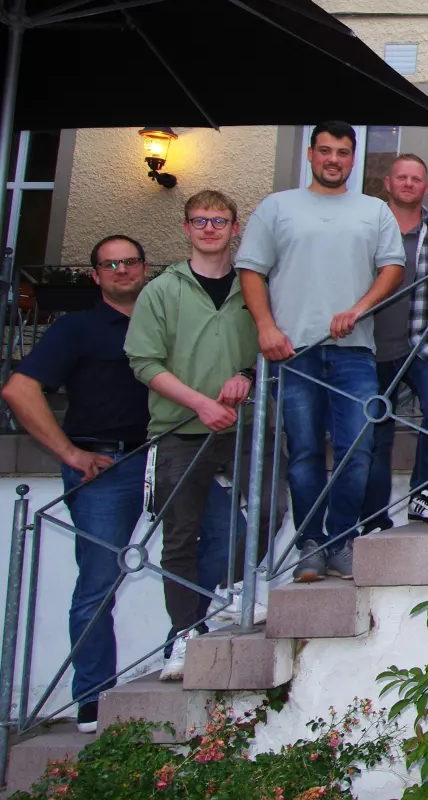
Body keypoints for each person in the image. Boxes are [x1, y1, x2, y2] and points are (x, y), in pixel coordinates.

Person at [237, 121, 405, 582]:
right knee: (305, 452)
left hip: (353, 349)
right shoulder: (277, 207)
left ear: (353, 159)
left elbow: (392, 268)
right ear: (311, 154)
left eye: (344, 152)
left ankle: (341, 540)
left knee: (359, 449)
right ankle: (310, 544)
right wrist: (266, 327)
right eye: (326, 150)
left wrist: (359, 308)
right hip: (293, 350)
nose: (334, 159)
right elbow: (250, 270)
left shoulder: (374, 210)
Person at [2, 235, 150, 733]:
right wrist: (68, 452)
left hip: (170, 458)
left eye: (129, 262)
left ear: (145, 268)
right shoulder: (78, 328)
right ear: (95, 275)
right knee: (97, 584)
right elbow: (19, 390)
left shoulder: (165, 322)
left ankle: (186, 650)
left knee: (215, 545)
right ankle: (92, 696)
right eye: (111, 264)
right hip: (104, 466)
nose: (121, 270)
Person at [123, 193, 258, 682]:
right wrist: (199, 403)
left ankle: (237, 591)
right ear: (186, 228)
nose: (209, 228)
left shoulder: (251, 287)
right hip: (179, 429)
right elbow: (143, 362)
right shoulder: (161, 290)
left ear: (234, 228)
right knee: (181, 536)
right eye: (200, 221)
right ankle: (184, 635)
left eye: (218, 221)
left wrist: (247, 374)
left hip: (243, 427)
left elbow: (269, 344)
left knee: (271, 508)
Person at [362, 154, 428, 527]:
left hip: (425, 340)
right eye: (401, 178)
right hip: (369, 345)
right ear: (387, 183)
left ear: (426, 187)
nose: (408, 184)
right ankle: (372, 516)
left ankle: (424, 494)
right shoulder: (367, 228)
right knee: (375, 430)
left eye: (416, 179)